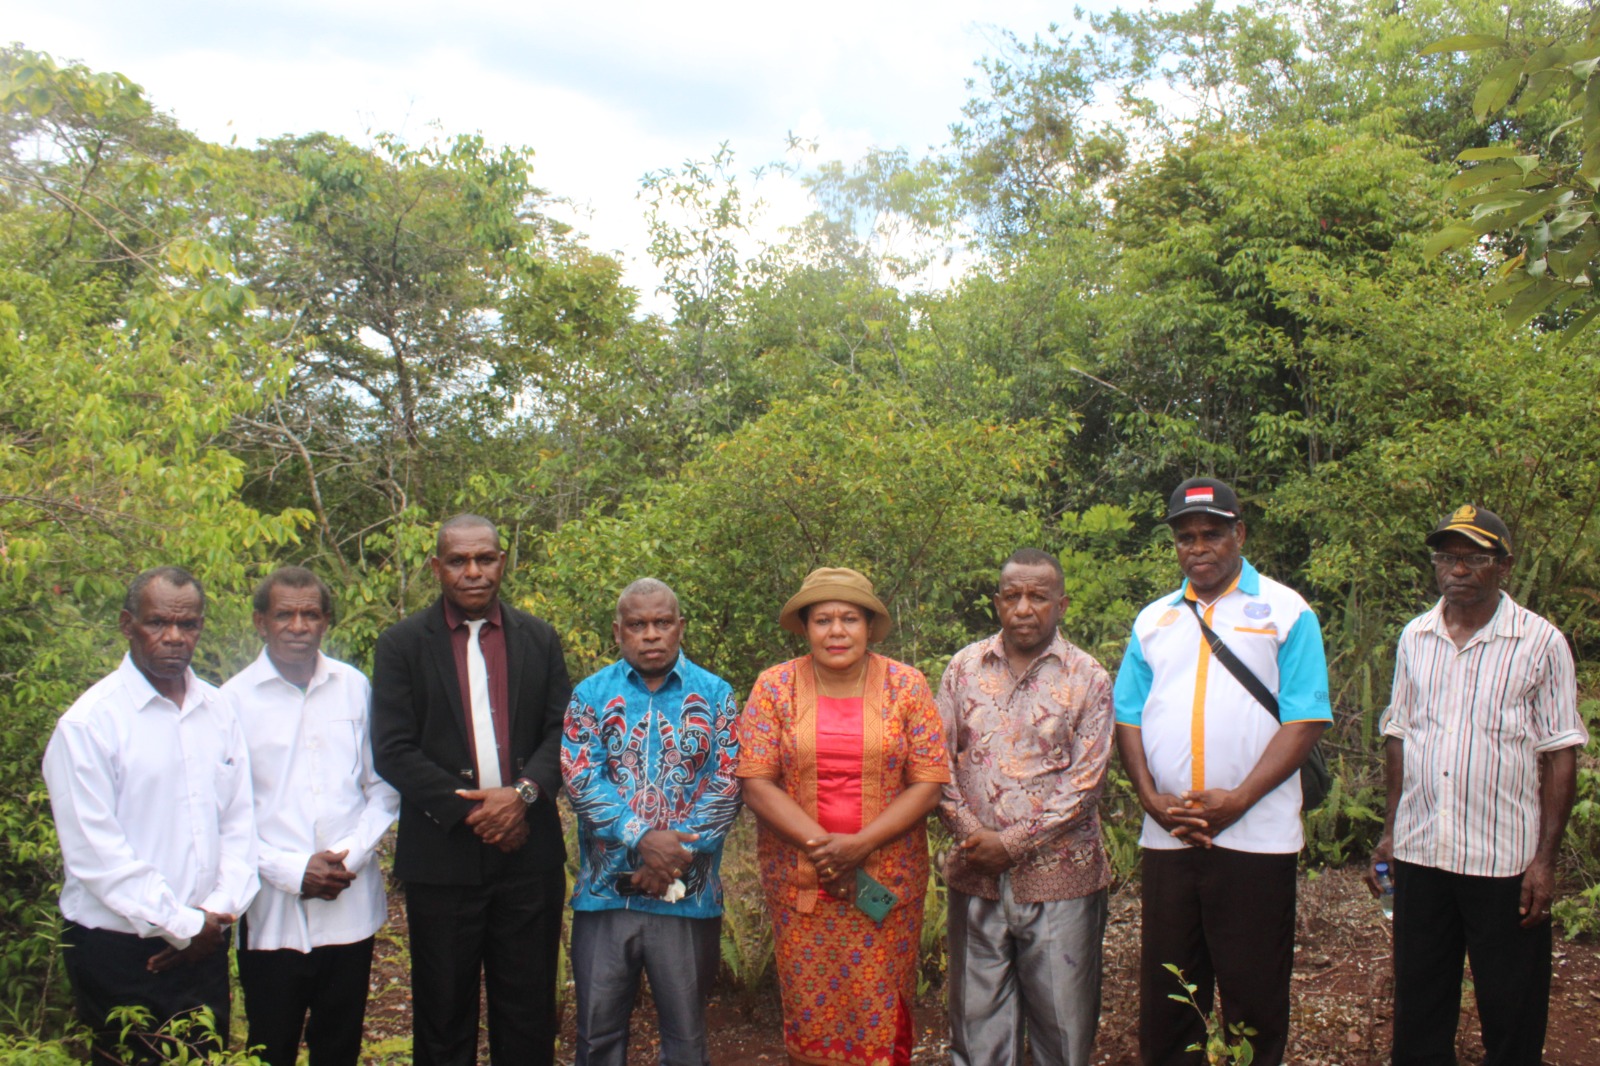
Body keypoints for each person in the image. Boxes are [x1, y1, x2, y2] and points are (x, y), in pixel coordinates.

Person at [1112, 478, 1331, 1066]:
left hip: (1256, 836)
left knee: (1252, 993)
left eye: (1211, 534)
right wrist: (1151, 799)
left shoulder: (1287, 611)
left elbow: (1306, 717)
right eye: (1185, 537)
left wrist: (1238, 800)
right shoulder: (1153, 619)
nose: (1198, 547)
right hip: (1169, 834)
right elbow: (1128, 715)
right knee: (1169, 993)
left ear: (1240, 534)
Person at [1368, 505, 1586, 1066]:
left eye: (1474, 558)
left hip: (1504, 861)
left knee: (1512, 1015)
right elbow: (1400, 735)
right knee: (1419, 1009)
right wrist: (1390, 833)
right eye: (1446, 557)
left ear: (1504, 566)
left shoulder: (1539, 642)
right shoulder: (1416, 636)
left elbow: (1560, 752)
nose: (1457, 570)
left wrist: (1544, 862)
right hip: (1422, 852)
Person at [371, 514, 571, 1066]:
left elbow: (563, 730)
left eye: (485, 559)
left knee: (528, 1014)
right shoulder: (402, 645)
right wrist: (475, 813)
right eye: (458, 561)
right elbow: (392, 748)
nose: (473, 572)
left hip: (528, 854)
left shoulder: (538, 638)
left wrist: (521, 795)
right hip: (442, 860)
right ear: (437, 567)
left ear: (502, 562)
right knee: (443, 1015)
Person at [42, 567, 258, 1063]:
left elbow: (239, 823)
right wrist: (181, 924)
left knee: (204, 1056)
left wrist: (214, 916)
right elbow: (97, 854)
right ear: (127, 624)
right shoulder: (89, 725)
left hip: (206, 941)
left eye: (189, 624)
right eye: (158, 623)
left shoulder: (218, 709)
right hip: (121, 951)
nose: (175, 637)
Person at [737, 566, 950, 1066]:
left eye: (850, 619)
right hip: (803, 887)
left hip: (885, 886)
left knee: (881, 1011)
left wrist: (861, 844)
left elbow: (929, 782)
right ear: (805, 627)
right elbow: (756, 782)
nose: (836, 631)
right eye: (823, 620)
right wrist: (826, 850)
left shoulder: (906, 686)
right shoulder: (774, 687)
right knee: (811, 1014)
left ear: (870, 626)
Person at [938, 549, 1115, 1066]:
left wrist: (1011, 844)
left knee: (1062, 1031)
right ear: (997, 602)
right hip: (976, 874)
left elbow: (1086, 782)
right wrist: (972, 836)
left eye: (1037, 597)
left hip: (1062, 877)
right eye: (1012, 596)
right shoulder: (963, 668)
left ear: (1061, 604)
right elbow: (934, 764)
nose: (1023, 608)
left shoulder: (1088, 676)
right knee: (977, 1031)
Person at [562, 578, 742, 1066]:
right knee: (597, 1037)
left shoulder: (716, 694)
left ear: (680, 626)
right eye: (637, 625)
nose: (651, 635)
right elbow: (580, 778)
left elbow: (728, 783)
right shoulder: (590, 694)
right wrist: (642, 838)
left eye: (662, 623)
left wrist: (674, 858)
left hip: (687, 895)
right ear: (617, 631)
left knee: (686, 1040)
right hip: (605, 895)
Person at [225, 566, 399, 1066]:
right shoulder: (230, 702)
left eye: (310, 614)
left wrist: (347, 856)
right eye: (284, 615)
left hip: (350, 903)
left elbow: (382, 787)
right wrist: (293, 869)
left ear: (326, 621)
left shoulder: (354, 687)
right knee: (270, 1045)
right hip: (270, 914)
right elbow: (226, 815)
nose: (298, 626)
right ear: (260, 622)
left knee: (339, 1045)